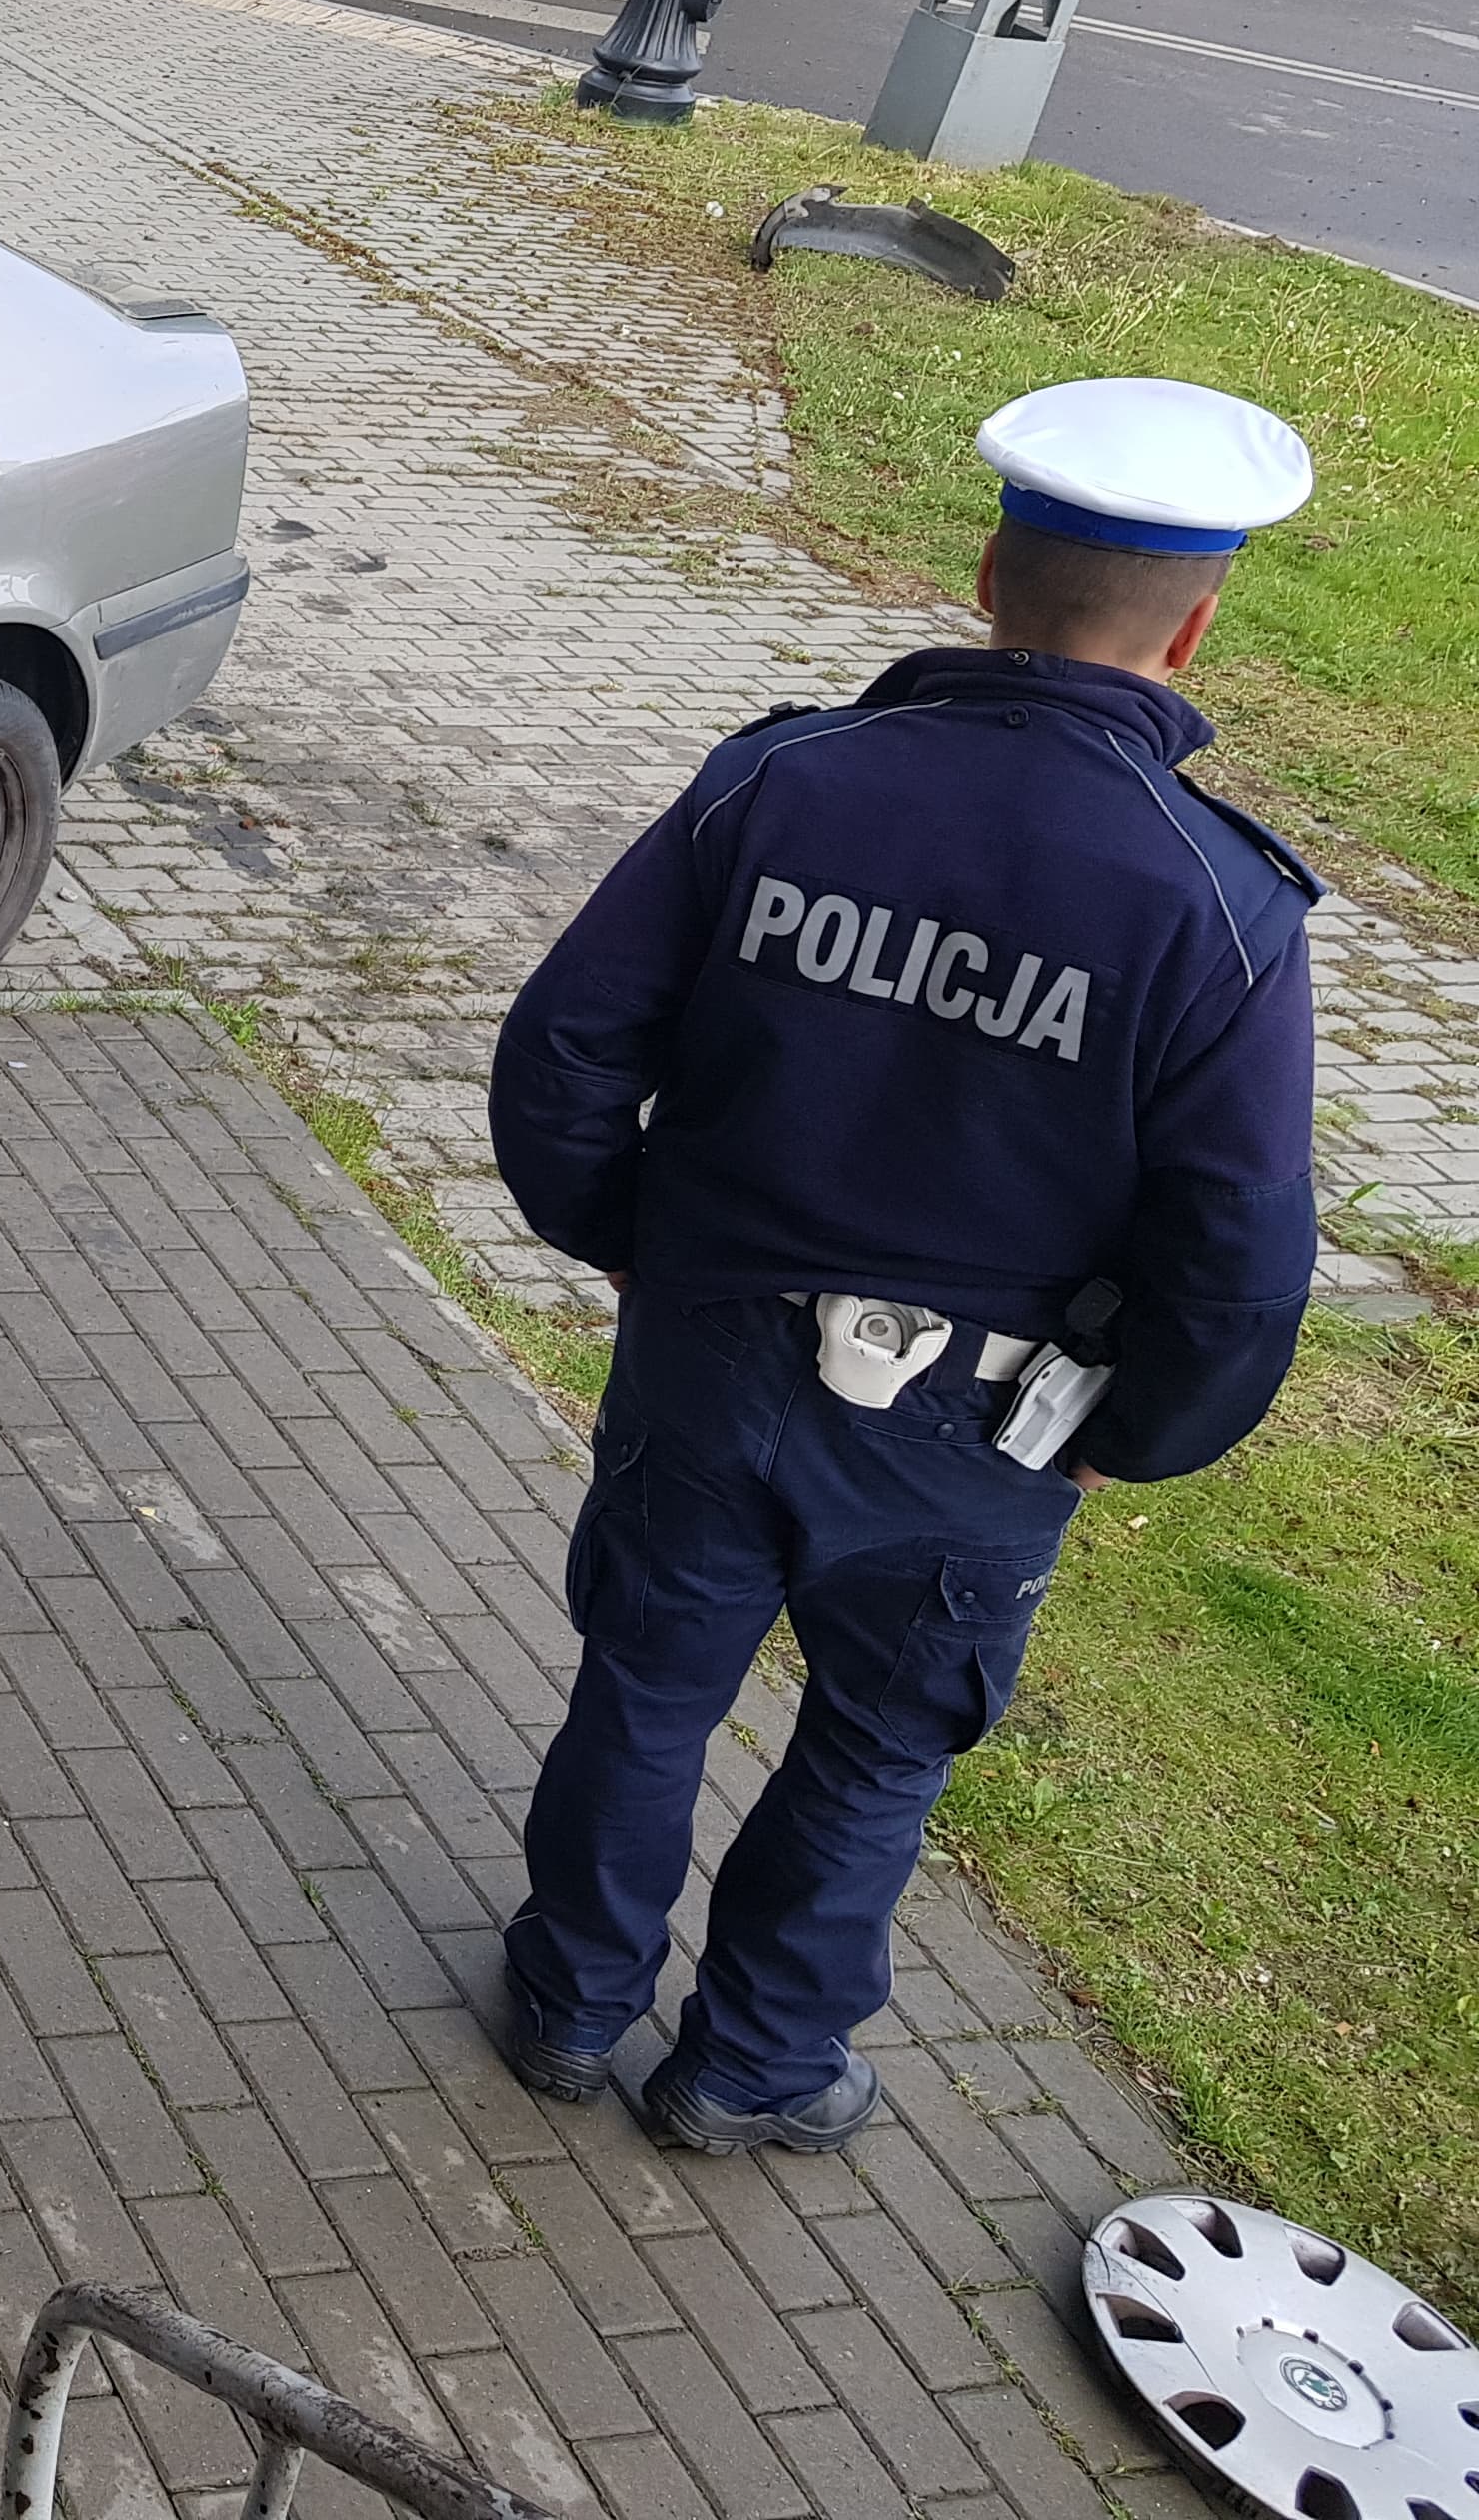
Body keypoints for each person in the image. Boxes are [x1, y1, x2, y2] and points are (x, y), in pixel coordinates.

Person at [484, 375, 1324, 2155]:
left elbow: (562, 1055)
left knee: (645, 1687)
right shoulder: (1221, 905)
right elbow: (1237, 1248)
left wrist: (641, 1246)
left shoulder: (784, 781)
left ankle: (564, 2005)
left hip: (710, 1358)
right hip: (987, 1432)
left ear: (985, 572)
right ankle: (757, 2070)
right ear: (1199, 617)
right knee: (876, 1748)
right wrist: (1147, 1430)